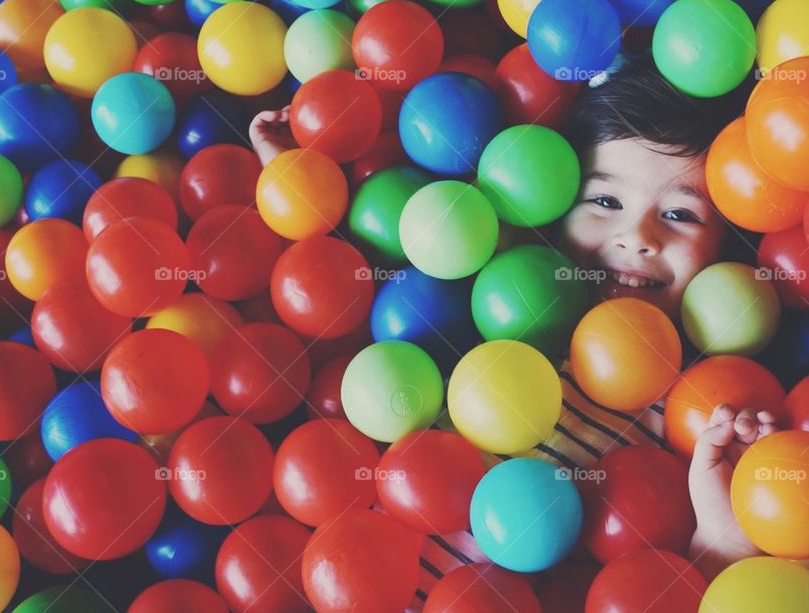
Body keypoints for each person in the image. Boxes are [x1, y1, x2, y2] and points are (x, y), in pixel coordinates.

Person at [249, 53, 768, 607]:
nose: (637, 236)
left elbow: (685, 582)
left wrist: (726, 533)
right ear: (553, 202)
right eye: (606, 201)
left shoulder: (692, 407)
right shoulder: (503, 296)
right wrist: (295, 180)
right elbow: (364, 273)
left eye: (680, 214)